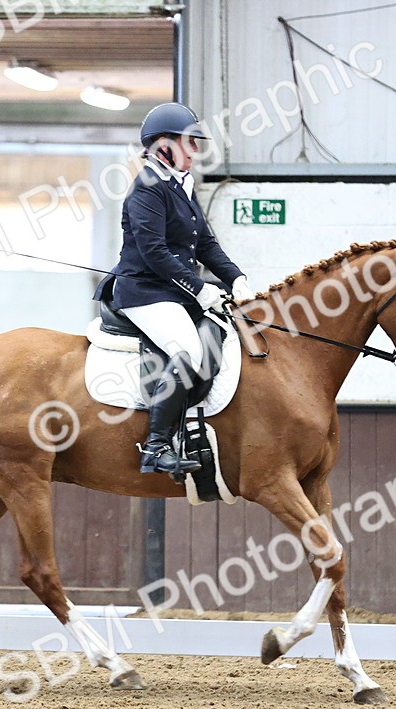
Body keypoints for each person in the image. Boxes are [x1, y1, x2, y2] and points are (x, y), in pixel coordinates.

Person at [93, 102, 255, 475]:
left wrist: (236, 278)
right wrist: (200, 288)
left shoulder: (180, 185)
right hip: (144, 293)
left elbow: (205, 244)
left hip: (173, 291)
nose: (196, 150)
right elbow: (155, 252)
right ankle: (156, 447)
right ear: (164, 145)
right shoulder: (147, 189)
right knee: (188, 351)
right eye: (189, 142)